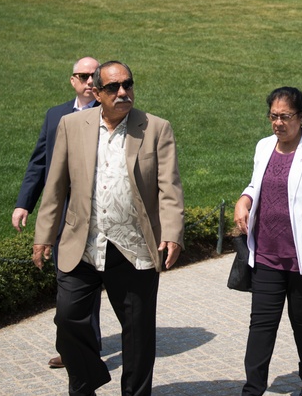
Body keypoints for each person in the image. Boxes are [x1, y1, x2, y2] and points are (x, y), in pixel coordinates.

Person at [33, 61, 185, 396]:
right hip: (81, 246)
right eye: (113, 87)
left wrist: (172, 233)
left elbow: (169, 189)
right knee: (68, 321)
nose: (122, 92)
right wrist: (43, 236)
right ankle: (86, 381)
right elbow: (55, 185)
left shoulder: (155, 128)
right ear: (97, 93)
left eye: (127, 85)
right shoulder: (72, 125)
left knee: (137, 333)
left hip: (133, 250)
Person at [234, 87, 302, 396]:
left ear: (301, 116)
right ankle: (252, 389)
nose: (278, 123)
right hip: (266, 251)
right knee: (261, 324)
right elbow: (256, 183)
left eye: (285, 117)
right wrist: (245, 198)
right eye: (273, 116)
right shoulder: (264, 146)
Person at [12, 56, 99, 369]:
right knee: (68, 288)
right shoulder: (55, 116)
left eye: (95, 76)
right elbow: (39, 162)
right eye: (83, 76)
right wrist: (24, 203)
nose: (90, 82)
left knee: (85, 285)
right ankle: (73, 346)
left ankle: (83, 348)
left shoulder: (110, 116)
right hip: (63, 216)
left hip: (97, 215)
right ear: (72, 80)